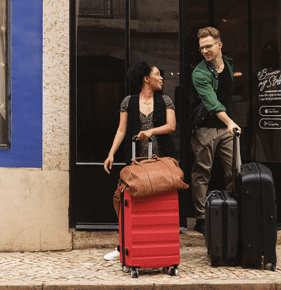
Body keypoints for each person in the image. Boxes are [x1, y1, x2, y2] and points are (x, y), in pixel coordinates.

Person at [102, 60, 176, 260]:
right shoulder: (128, 101)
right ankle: (123, 246)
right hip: (136, 161)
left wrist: (150, 131)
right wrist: (111, 154)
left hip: (161, 160)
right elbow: (121, 129)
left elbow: (171, 126)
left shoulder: (166, 100)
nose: (161, 78)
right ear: (146, 79)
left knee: (159, 203)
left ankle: (159, 246)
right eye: (157, 74)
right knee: (127, 200)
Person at [189, 27, 241, 235]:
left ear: (219, 45)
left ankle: (232, 210)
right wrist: (230, 122)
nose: (204, 51)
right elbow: (212, 102)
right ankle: (201, 218)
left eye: (208, 46)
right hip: (204, 127)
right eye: (201, 48)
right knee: (202, 172)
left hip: (226, 127)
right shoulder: (199, 73)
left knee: (234, 171)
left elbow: (227, 96)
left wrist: (228, 123)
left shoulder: (228, 64)